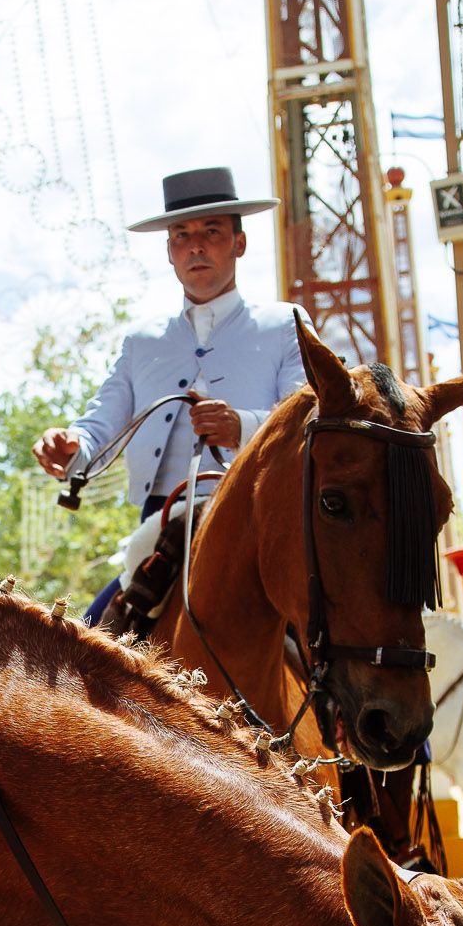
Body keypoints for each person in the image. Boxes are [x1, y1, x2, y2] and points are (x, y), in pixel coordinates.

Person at [34, 166, 305, 621]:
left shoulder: (285, 325)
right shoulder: (142, 342)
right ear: (169, 251)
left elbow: (306, 415)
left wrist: (244, 426)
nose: (195, 245)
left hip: (256, 516)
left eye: (211, 231)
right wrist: (72, 447)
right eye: (182, 235)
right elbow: (103, 423)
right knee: (91, 641)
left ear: (239, 243)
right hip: (158, 526)